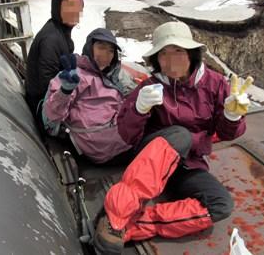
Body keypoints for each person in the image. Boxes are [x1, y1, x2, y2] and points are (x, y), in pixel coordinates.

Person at [93, 20, 253, 254]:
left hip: (188, 164)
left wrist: (231, 116)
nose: (169, 60)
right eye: (163, 54)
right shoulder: (150, 86)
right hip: (151, 161)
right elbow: (127, 135)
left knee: (221, 204)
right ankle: (115, 214)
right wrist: (138, 109)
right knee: (181, 135)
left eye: (177, 51)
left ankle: (129, 227)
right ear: (156, 59)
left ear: (191, 54)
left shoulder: (215, 84)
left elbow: (228, 134)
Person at [42, 28, 132, 164]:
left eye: (111, 51)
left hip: (118, 136)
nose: (106, 54)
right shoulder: (76, 75)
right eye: (101, 47)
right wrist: (65, 91)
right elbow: (51, 117)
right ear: (90, 48)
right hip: (100, 146)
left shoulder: (113, 75)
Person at [25, 0, 84, 118]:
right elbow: (46, 83)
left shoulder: (59, 30)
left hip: (50, 98)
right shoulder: (51, 39)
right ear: (58, 9)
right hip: (42, 106)